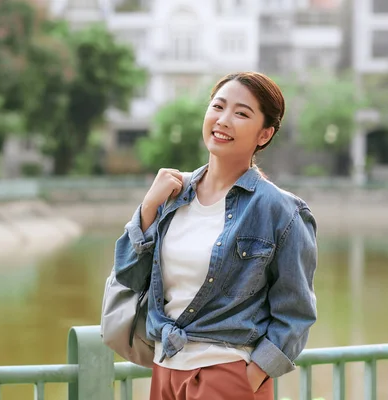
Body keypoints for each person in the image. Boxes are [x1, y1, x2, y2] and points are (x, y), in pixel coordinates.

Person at [114, 71, 318, 400]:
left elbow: (296, 313)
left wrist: (246, 380)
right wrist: (149, 206)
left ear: (264, 134)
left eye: (241, 113)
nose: (224, 120)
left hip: (225, 376)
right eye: (218, 106)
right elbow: (128, 275)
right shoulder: (173, 195)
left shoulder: (281, 211)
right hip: (165, 370)